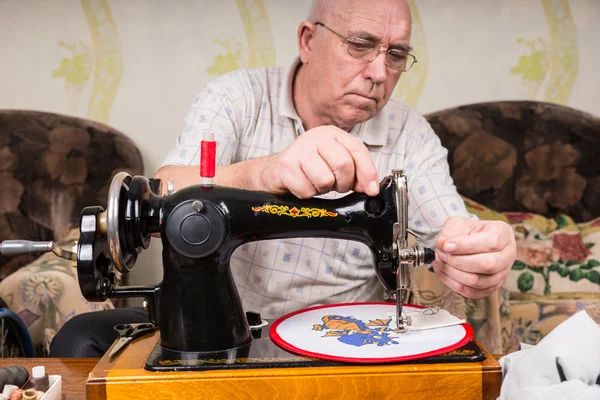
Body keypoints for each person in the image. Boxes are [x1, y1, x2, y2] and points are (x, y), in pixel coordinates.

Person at [50, 0, 516, 357]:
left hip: (341, 345)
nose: (378, 73)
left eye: (396, 55)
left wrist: (480, 248)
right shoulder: (235, 98)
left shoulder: (408, 133)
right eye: (360, 45)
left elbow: (451, 229)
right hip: (223, 329)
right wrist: (265, 170)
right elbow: (168, 189)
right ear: (309, 41)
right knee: (81, 340)